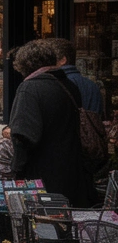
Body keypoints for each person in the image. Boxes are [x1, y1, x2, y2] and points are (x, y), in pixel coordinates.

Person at [9, 40, 95, 206]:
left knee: (44, 229)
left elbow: (24, 137)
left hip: (42, 182)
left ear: (24, 65)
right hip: (73, 177)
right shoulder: (69, 86)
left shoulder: (29, 89)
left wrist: (16, 171)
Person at [44, 38, 103, 115]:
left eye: (48, 59)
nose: (44, 63)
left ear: (62, 60)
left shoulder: (54, 84)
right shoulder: (92, 86)